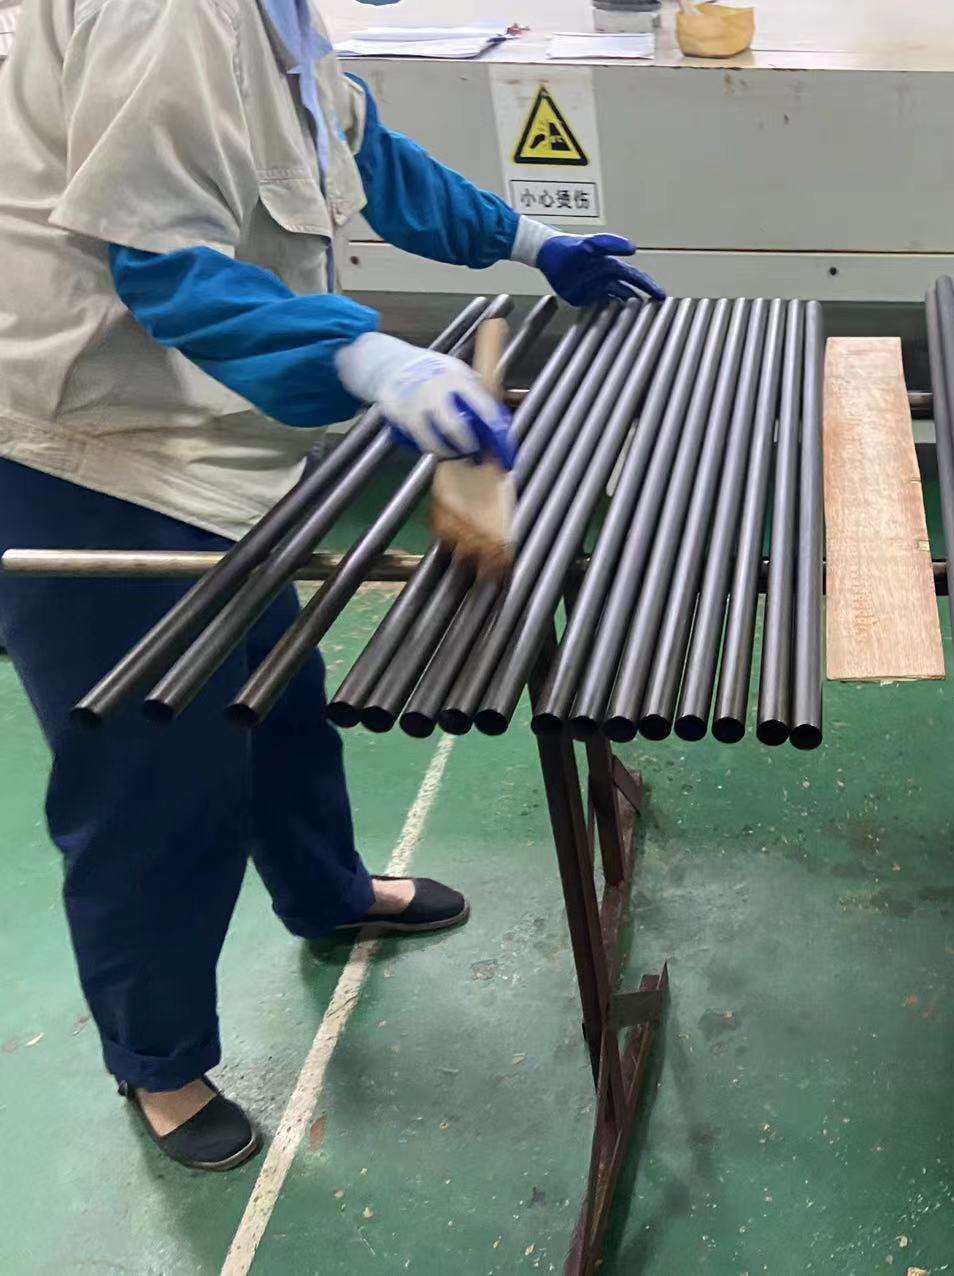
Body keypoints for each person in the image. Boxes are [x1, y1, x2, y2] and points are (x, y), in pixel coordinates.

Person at [0, 0, 662, 1172]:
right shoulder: (168, 13)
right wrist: (363, 354)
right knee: (153, 781)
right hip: (91, 451)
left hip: (215, 432)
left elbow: (361, 155)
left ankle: (325, 891)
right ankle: (159, 1061)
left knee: (278, 695)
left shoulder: (278, 15)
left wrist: (529, 241)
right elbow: (166, 268)